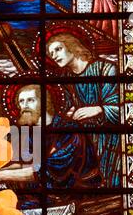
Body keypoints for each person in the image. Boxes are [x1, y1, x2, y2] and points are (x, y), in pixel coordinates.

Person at [0, 84, 102, 189]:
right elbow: (24, 163)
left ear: (45, 102)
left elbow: (50, 169)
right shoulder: (29, 133)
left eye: (30, 100)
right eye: (21, 102)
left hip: (78, 191)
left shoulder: (70, 131)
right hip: (45, 190)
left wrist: (1, 176)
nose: (24, 105)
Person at [47, 31, 121, 187]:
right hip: (83, 144)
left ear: (72, 46)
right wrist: (68, 115)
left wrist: (99, 109)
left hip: (109, 140)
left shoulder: (105, 70)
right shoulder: (65, 81)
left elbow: (124, 111)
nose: (54, 55)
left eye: (58, 49)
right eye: (51, 53)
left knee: (113, 183)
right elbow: (64, 111)